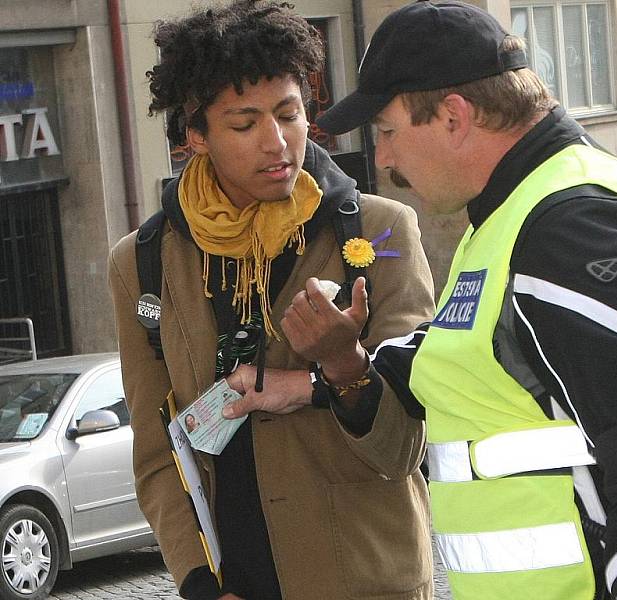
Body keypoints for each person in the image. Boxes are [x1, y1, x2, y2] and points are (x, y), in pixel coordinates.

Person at [282, 2, 617, 599]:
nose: (384, 159)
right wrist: (336, 366)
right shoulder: (515, 216)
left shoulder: (575, 225)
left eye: (388, 131)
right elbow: (464, 360)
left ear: (453, 116)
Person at [108, 2, 435, 599]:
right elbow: (158, 455)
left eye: (291, 114)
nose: (277, 141)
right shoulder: (142, 262)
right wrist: (201, 585)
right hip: (238, 581)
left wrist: (336, 370)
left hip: (364, 578)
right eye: (243, 124)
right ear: (196, 136)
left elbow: (406, 445)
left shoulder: (382, 230)